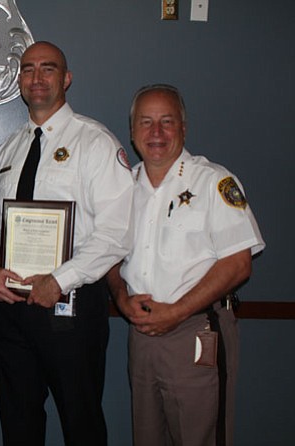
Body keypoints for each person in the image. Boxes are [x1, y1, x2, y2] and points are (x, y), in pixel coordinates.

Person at [0, 41, 134, 445]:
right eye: (28, 69)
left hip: (72, 309)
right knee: (18, 426)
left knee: (81, 424)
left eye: (48, 68)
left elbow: (116, 231)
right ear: (19, 81)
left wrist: (60, 280)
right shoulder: (7, 151)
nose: (37, 77)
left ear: (66, 79)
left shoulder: (95, 142)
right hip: (10, 314)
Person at [106, 84, 265, 446]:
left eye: (167, 122)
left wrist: (176, 312)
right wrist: (119, 296)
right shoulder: (123, 188)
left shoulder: (213, 182)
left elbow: (239, 264)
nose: (156, 133)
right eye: (146, 122)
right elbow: (110, 257)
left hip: (197, 332)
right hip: (142, 336)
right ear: (132, 132)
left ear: (184, 128)